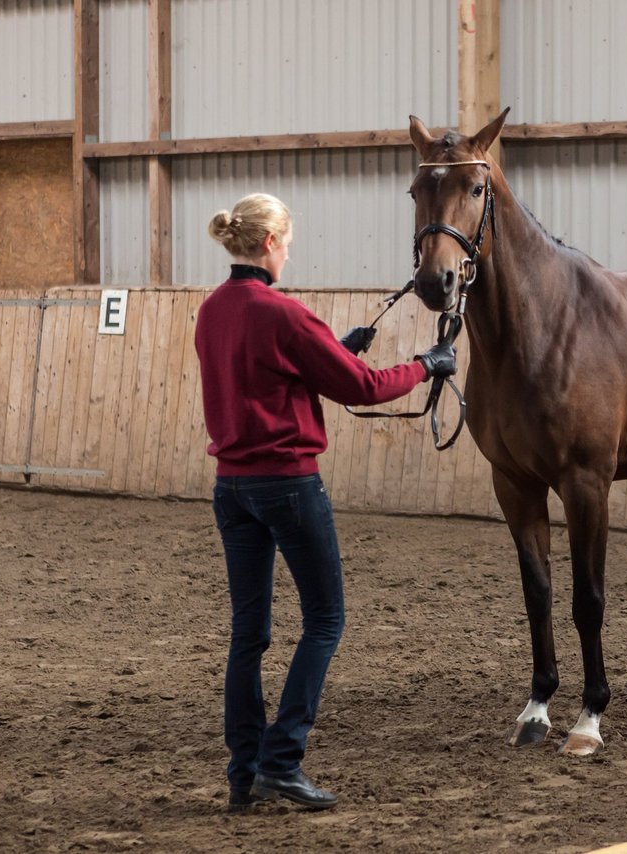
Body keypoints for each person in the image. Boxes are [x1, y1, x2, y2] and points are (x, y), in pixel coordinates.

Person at [196, 192, 456, 813]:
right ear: (267, 245)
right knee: (325, 621)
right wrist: (426, 365)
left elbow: (267, 374)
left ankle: (244, 774)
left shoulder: (212, 311)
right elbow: (361, 389)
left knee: (248, 635)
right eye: (285, 243)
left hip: (232, 487)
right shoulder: (285, 314)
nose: (289, 252)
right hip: (287, 483)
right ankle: (282, 761)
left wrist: (336, 346)